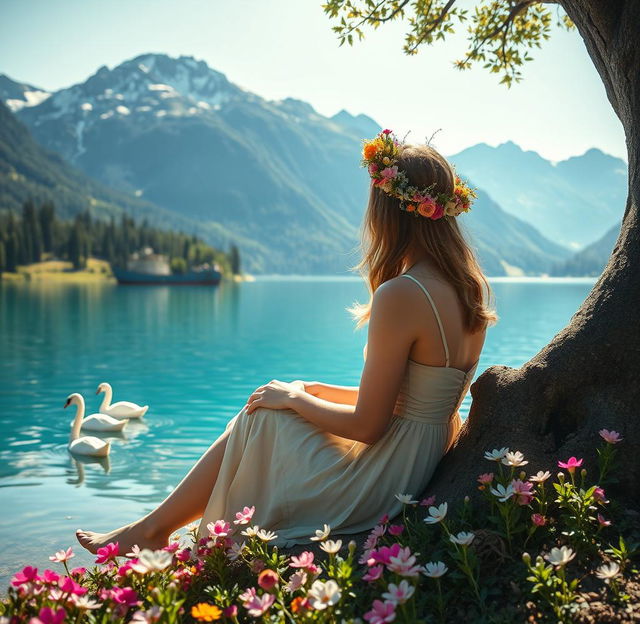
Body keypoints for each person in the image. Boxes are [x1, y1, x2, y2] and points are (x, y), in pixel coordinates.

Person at [76, 129, 497, 554]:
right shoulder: (468, 288)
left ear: (389, 213)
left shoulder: (403, 294)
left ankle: (151, 531)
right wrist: (312, 390)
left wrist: (294, 402)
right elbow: (415, 399)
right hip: (418, 457)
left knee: (265, 415)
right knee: (278, 400)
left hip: (385, 475)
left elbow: (371, 426)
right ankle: (152, 528)